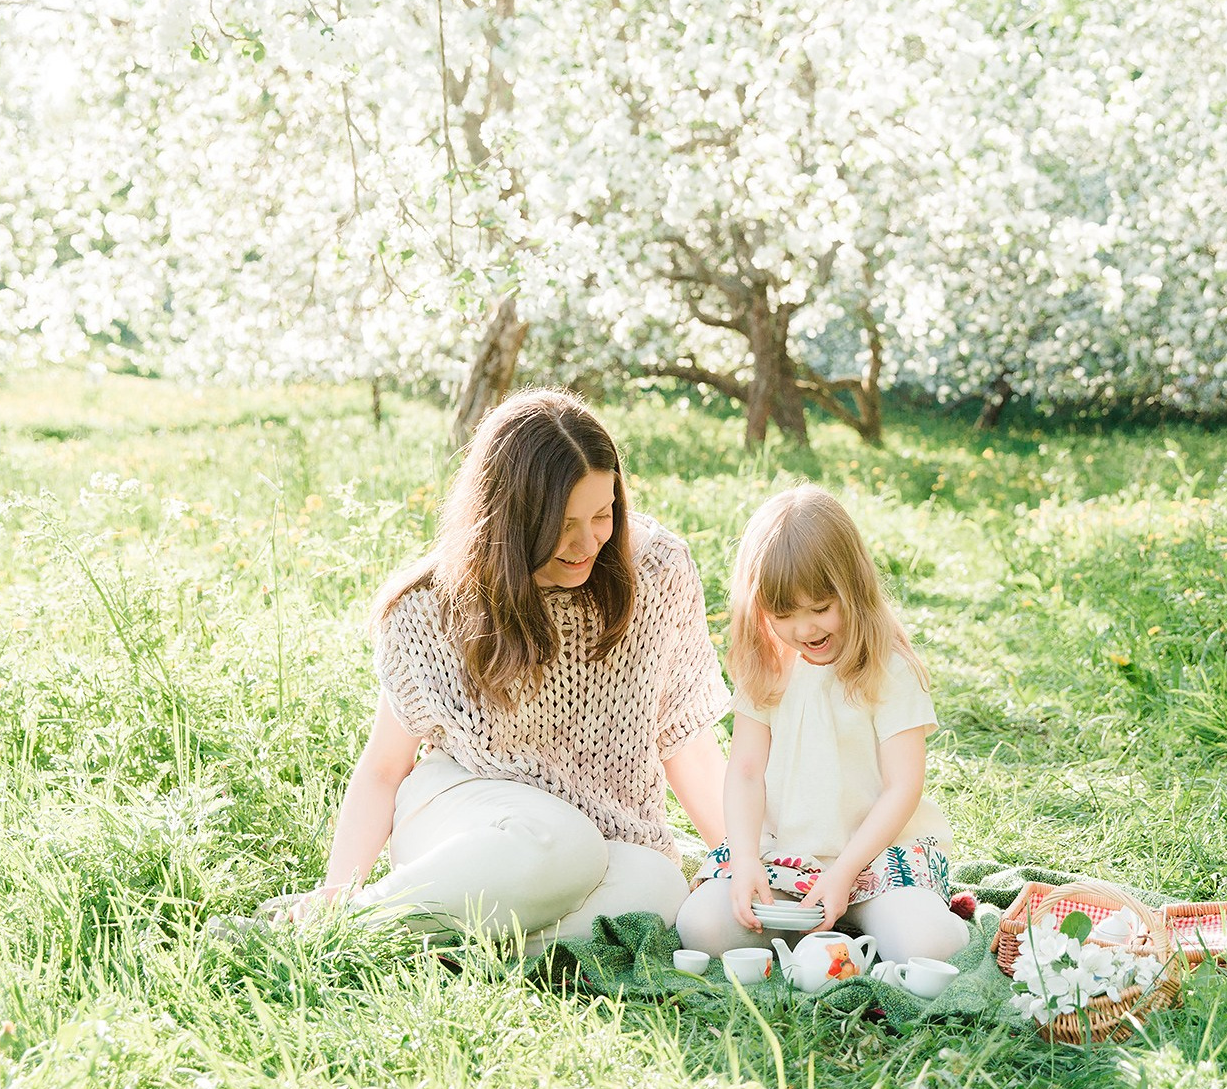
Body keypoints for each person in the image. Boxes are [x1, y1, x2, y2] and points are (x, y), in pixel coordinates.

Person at [279, 389, 730, 947]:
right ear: (511, 517)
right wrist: (335, 887)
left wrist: (741, 859)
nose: (587, 542)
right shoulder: (433, 605)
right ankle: (339, 925)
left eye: (603, 513)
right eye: (562, 523)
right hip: (467, 818)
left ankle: (450, 948)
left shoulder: (657, 572)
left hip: (600, 836)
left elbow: (683, 738)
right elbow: (384, 768)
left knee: (657, 886)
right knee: (562, 843)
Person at [674, 485, 968, 966]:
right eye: (784, 614)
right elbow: (745, 771)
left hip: (875, 860)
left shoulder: (888, 668)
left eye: (821, 608)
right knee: (702, 927)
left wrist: (844, 874)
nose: (805, 629)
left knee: (928, 947)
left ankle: (860, 924)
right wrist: (745, 860)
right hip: (786, 857)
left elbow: (903, 786)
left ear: (853, 588)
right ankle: (824, 933)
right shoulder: (768, 665)